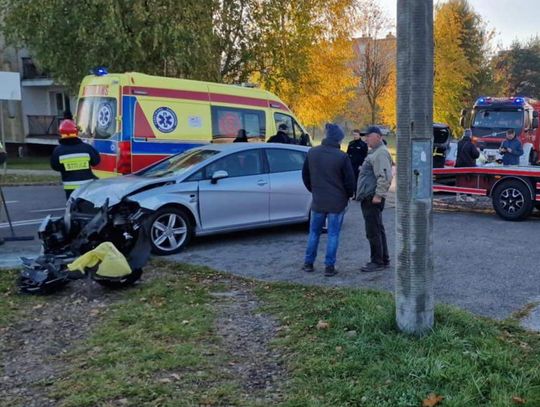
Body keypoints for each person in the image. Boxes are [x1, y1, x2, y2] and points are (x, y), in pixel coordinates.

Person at [301, 123, 355, 276]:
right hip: (337, 202)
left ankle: (308, 263)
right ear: (339, 139)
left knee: (314, 233)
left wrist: (314, 190)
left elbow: (305, 175)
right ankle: (329, 267)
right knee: (333, 234)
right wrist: (348, 195)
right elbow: (349, 181)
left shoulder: (312, 153)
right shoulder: (342, 156)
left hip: (318, 200)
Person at [355, 125, 393, 273]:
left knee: (373, 230)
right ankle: (383, 258)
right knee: (378, 228)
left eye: (368, 136)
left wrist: (378, 195)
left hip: (372, 197)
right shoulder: (376, 153)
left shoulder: (380, 153)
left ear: (378, 136)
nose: (366, 139)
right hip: (371, 196)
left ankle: (377, 261)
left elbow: (385, 176)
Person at [50, 119, 101, 199]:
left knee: (72, 209)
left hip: (70, 188)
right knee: (88, 208)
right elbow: (96, 161)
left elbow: (55, 166)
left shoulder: (58, 151)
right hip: (87, 186)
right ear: (76, 132)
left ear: (61, 133)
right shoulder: (87, 148)